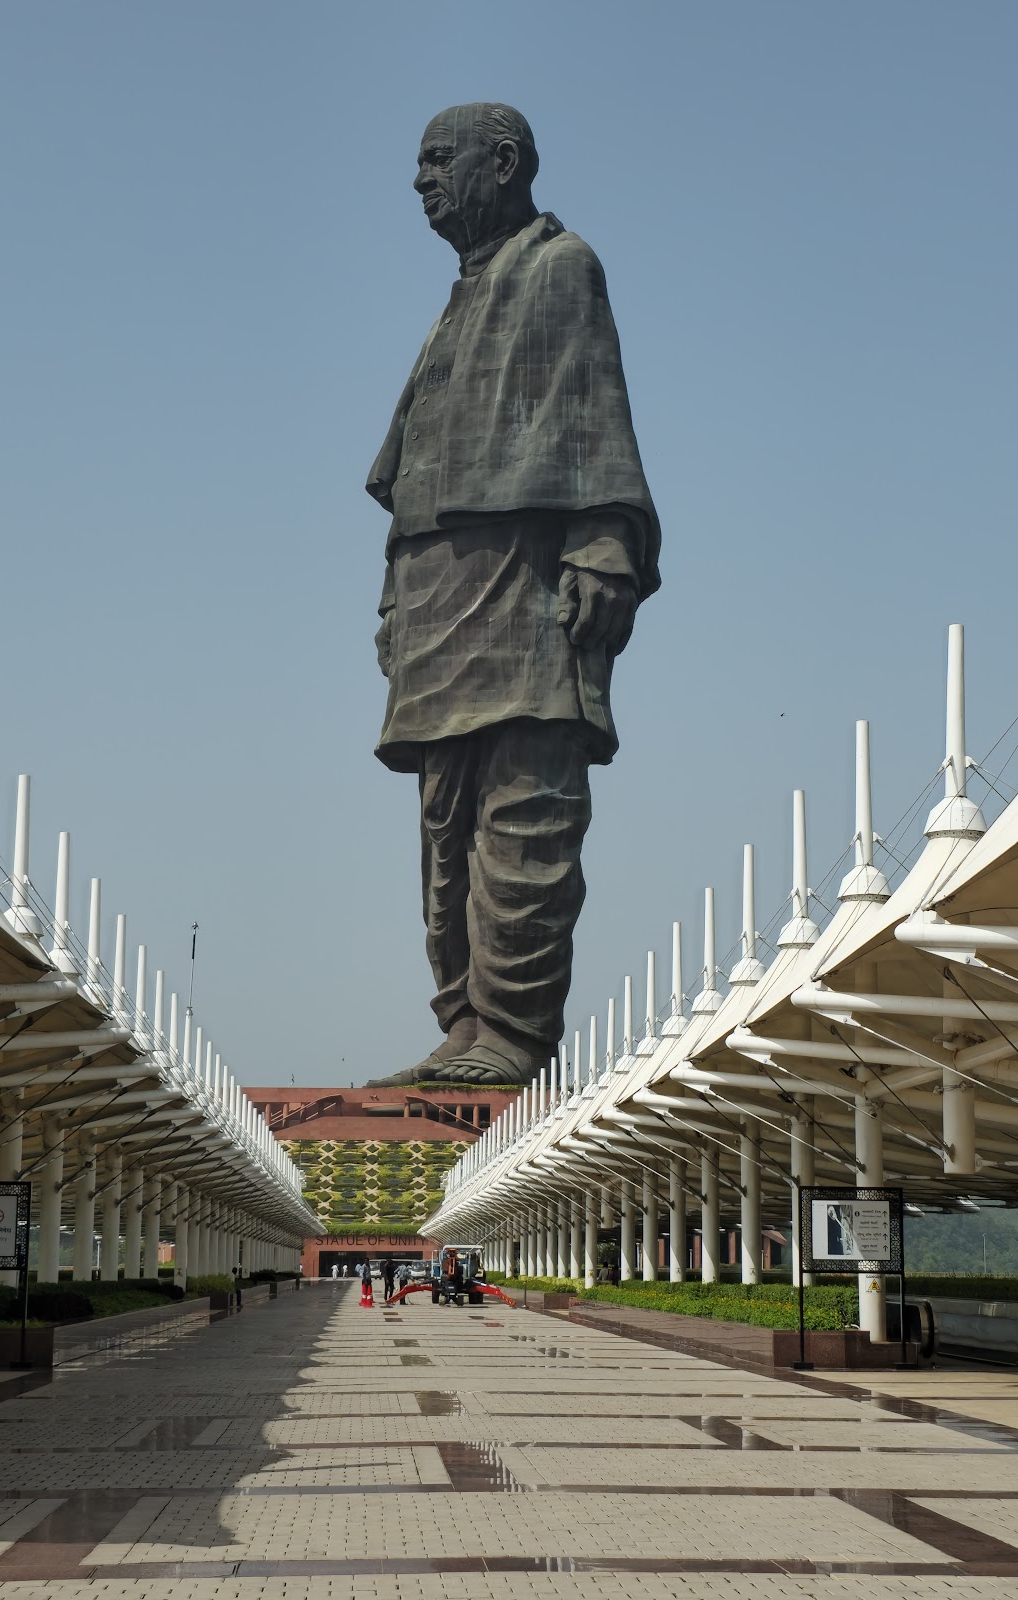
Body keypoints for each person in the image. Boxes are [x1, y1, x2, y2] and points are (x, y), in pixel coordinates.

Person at [367, 103, 660, 1086]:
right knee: (444, 821)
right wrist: (392, 598)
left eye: (438, 160)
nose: (421, 180)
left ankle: (515, 1033)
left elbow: (594, 411)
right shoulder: (458, 297)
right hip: (437, 589)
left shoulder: (557, 265)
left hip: (524, 582)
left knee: (525, 807)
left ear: (504, 162)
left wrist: (604, 544)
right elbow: (408, 469)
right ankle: (462, 1022)